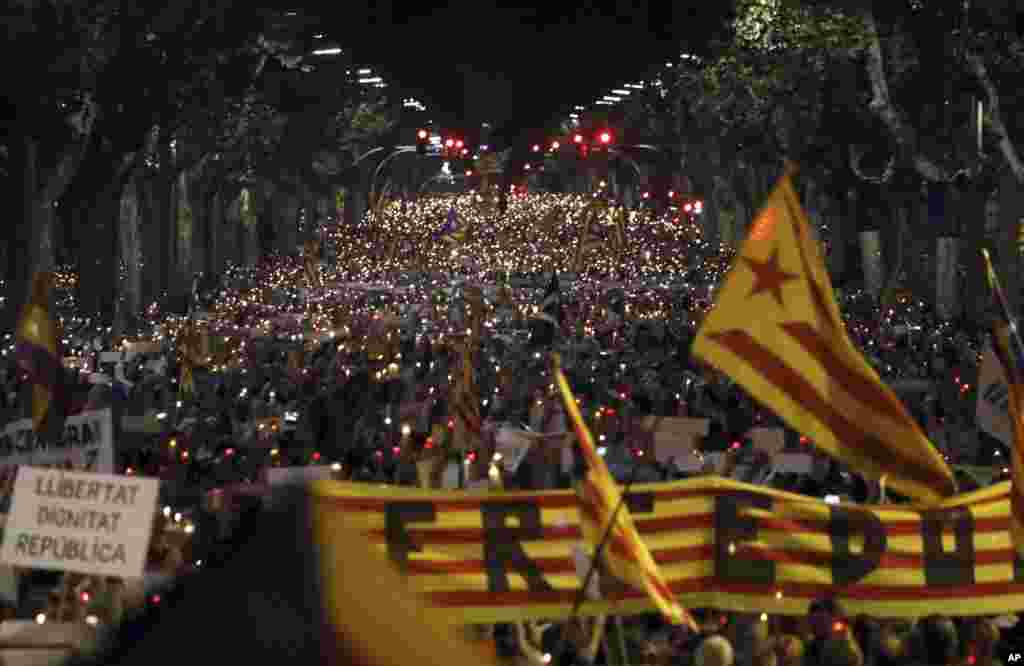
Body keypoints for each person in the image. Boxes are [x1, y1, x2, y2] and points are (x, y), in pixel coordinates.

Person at [804, 597, 846, 666]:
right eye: (813, 621)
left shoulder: (839, 646)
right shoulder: (810, 645)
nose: (815, 624)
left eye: (820, 621)